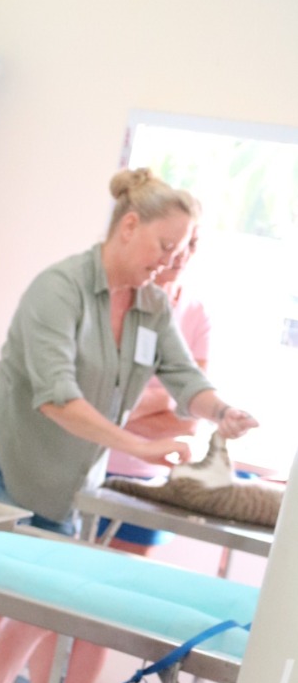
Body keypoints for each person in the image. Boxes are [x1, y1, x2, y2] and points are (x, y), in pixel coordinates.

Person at [0, 169, 257, 683]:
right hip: (3, 464)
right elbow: (55, 397)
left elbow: (185, 377)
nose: (171, 261)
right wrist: (137, 445)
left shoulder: (151, 305)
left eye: (182, 250)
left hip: (63, 483)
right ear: (128, 226)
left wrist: (221, 411)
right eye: (166, 245)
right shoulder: (59, 289)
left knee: (37, 614)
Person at [102, 220, 211, 550]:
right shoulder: (114, 300)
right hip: (87, 463)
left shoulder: (196, 314)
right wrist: (165, 399)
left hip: (147, 478)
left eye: (192, 245)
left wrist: (121, 410)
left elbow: (189, 419)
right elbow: (90, 399)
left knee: (123, 579)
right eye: (174, 244)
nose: (181, 254)